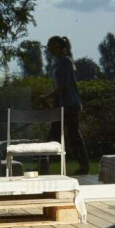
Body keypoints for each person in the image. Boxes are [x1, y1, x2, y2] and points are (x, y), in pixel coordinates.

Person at [41, 35, 90, 176]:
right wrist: (52, 102)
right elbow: (59, 86)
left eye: (50, 46)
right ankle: (44, 166)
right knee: (56, 134)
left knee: (70, 135)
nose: (48, 49)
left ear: (57, 46)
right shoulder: (57, 63)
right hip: (62, 105)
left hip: (70, 105)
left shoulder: (66, 62)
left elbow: (64, 85)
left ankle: (83, 166)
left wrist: (47, 97)